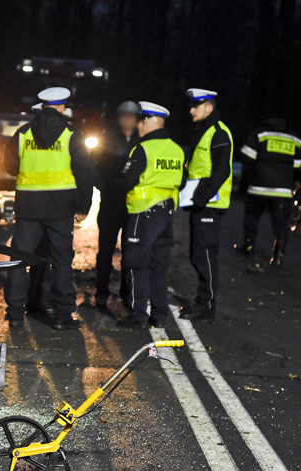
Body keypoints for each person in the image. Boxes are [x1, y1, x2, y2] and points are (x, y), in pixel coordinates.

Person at [3, 87, 96, 329]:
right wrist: (83, 206)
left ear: (42, 106)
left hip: (28, 208)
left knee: (19, 260)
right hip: (60, 209)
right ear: (62, 107)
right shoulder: (72, 134)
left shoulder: (23, 133)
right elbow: (85, 174)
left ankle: (14, 314)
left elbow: (9, 167)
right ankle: (62, 317)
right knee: (62, 261)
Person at [117, 102, 185, 329]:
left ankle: (138, 315)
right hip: (166, 214)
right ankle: (159, 314)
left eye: (142, 121)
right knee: (159, 265)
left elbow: (128, 180)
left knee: (137, 264)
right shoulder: (176, 149)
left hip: (143, 214)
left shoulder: (143, 149)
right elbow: (182, 181)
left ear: (152, 122)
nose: (138, 125)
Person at [179, 88, 233, 322]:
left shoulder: (218, 133)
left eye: (196, 106)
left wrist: (201, 197)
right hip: (201, 203)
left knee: (205, 255)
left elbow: (222, 169)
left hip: (210, 204)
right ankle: (203, 301)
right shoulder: (205, 131)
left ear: (208, 108)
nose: (191, 111)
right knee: (198, 254)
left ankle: (207, 306)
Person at [94, 101, 140, 308]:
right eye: (124, 115)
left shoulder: (142, 141)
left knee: (130, 253)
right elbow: (92, 166)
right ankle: (101, 292)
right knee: (105, 251)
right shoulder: (107, 139)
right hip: (110, 204)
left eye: (132, 116)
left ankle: (127, 293)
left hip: (132, 205)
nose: (128, 119)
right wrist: (103, 185)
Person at [239, 118, 301, 267]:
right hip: (283, 190)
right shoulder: (295, 139)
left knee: (252, 217)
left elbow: (247, 157)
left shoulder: (260, 133)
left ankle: (248, 246)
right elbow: (298, 166)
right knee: (280, 223)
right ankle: (278, 255)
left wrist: (252, 175)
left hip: (258, 186)